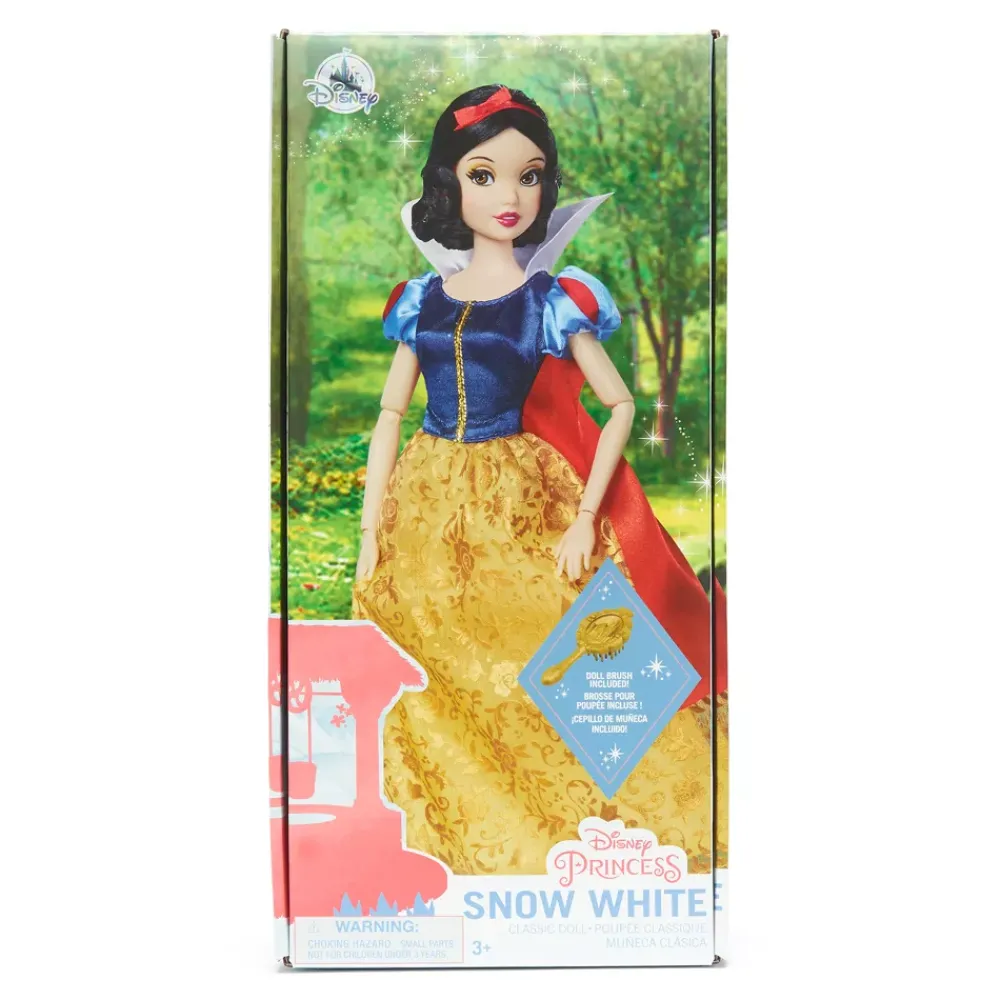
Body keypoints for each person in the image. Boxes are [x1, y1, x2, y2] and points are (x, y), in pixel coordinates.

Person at [352, 84, 728, 876]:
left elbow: (620, 405)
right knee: (428, 643)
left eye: (529, 175)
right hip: (426, 494)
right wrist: (368, 526)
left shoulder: (548, 302)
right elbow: (389, 414)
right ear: (450, 183)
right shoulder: (420, 300)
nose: (511, 195)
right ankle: (456, 810)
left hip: (521, 490)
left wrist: (585, 516)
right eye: (484, 175)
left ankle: (570, 810)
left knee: (550, 640)